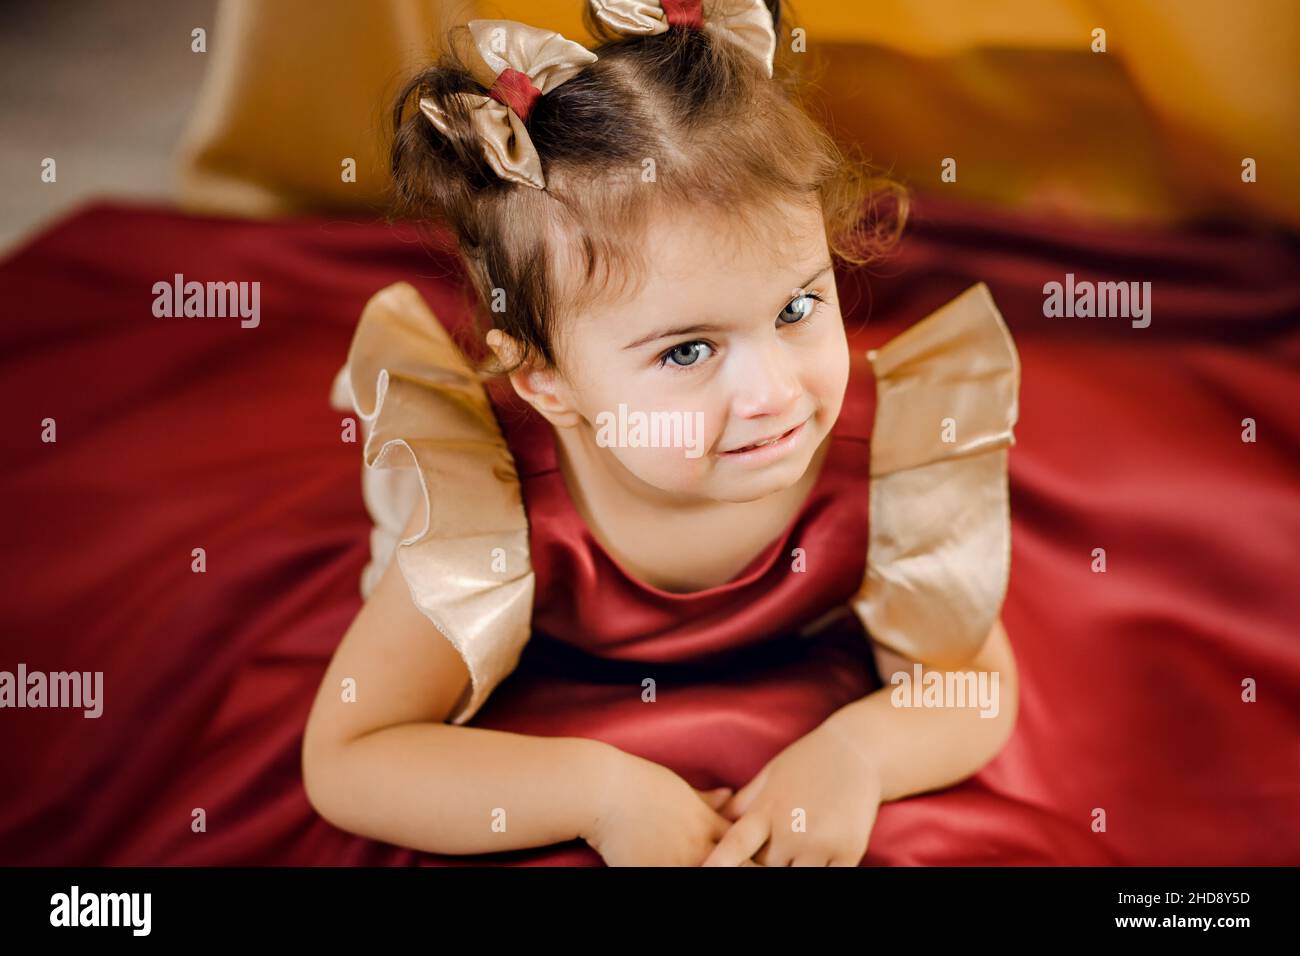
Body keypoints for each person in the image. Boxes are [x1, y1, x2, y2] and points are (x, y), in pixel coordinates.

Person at [302, 0, 1021, 867]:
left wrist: (860, 755)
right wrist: (600, 795)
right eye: (687, 351)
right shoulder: (491, 514)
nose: (773, 392)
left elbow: (978, 685)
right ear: (548, 383)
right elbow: (349, 756)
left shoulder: (884, 455)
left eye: (797, 307)